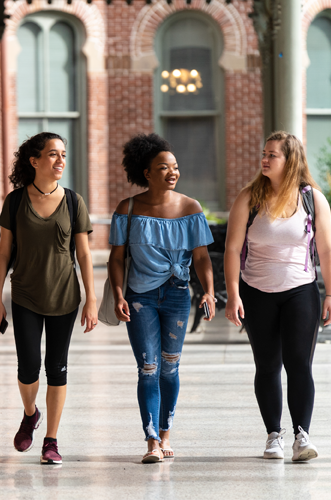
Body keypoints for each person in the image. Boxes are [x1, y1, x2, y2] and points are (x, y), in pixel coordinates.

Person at [224, 131, 331, 461]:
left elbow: (326, 249)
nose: (265, 159)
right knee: (268, 365)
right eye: (264, 153)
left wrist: (330, 294)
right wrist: (233, 294)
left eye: (272, 154)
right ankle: (273, 435)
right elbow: (232, 249)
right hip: (257, 291)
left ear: (290, 161)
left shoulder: (312, 200)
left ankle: (302, 435)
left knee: (299, 364)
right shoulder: (249, 197)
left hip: (301, 291)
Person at [0, 132, 97, 465]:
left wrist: (92, 298)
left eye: (63, 154)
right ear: (34, 161)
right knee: (28, 367)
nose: (60, 160)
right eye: (52, 154)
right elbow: (3, 253)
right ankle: (29, 413)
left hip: (65, 296)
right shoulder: (16, 201)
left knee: (57, 368)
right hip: (24, 294)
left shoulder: (74, 202)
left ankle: (51, 440)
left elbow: (84, 254)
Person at [108, 133, 215, 464]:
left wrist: (209, 291)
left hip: (177, 295)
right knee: (148, 368)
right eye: (164, 167)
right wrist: (117, 294)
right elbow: (116, 258)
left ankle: (166, 432)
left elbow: (201, 258)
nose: (172, 172)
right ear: (146, 172)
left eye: (176, 167)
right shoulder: (128, 209)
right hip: (139, 297)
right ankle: (152, 439)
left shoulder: (190, 207)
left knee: (169, 367)